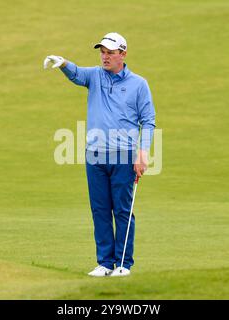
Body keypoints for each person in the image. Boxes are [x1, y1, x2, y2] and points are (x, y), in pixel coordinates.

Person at [44, 32, 156, 277]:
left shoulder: (139, 84)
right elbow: (76, 73)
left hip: (124, 155)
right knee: (100, 209)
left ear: (123, 54)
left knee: (122, 210)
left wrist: (143, 153)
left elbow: (148, 121)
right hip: (95, 156)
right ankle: (105, 263)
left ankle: (124, 264)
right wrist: (63, 63)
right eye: (102, 52)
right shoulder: (95, 76)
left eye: (110, 53)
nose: (105, 57)